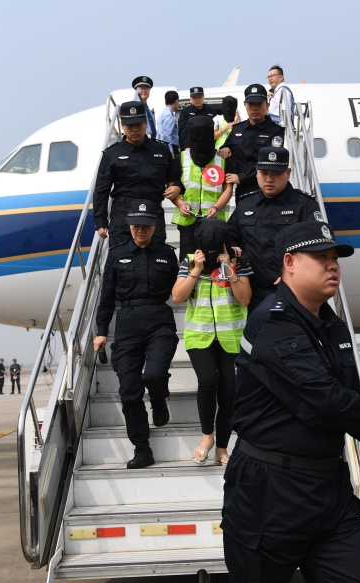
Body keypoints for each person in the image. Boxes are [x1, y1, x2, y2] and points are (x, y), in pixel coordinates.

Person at [223, 220, 360, 583]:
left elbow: (348, 397)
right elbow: (322, 399)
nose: (333, 266)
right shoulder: (274, 321)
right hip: (269, 491)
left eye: (335, 258)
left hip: (330, 490)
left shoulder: (332, 326)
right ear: (290, 263)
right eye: (321, 258)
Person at [93, 201, 180, 469]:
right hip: (128, 324)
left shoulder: (167, 254)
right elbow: (106, 297)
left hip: (159, 322)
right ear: (129, 225)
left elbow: (180, 290)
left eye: (145, 225)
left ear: (154, 226)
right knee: (129, 392)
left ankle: (157, 398)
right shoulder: (117, 255)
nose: (140, 230)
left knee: (153, 375)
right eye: (135, 225)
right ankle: (142, 448)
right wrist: (101, 331)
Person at [171, 218, 252, 466]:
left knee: (229, 391)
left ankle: (221, 448)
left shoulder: (239, 261)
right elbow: (177, 297)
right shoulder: (188, 261)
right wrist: (196, 270)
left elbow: (245, 298)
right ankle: (207, 436)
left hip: (231, 337)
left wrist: (229, 269)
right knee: (208, 381)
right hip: (200, 336)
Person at [227, 146, 319, 313]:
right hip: (252, 292)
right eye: (264, 174)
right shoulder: (245, 204)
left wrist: (294, 274)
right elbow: (229, 236)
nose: (269, 179)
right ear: (256, 172)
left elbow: (316, 247)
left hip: (293, 290)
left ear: (288, 173)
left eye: (275, 174)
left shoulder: (305, 204)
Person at [93, 101, 184, 248]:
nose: (135, 129)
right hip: (123, 215)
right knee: (121, 261)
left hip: (153, 213)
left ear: (146, 123)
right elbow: (101, 190)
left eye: (139, 124)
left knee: (155, 261)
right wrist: (101, 222)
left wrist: (178, 187)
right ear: (122, 125)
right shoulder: (112, 154)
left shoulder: (161, 150)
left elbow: (174, 178)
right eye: (130, 125)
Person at [172, 116, 234, 258]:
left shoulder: (223, 159)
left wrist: (216, 207)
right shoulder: (181, 158)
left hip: (215, 222)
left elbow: (228, 189)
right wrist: (180, 204)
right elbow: (171, 186)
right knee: (188, 263)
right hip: (188, 222)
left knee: (215, 264)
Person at [218, 84, 286, 199]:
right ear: (245, 105)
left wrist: (241, 177)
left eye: (259, 104)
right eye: (251, 104)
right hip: (243, 191)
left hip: (266, 190)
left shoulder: (276, 132)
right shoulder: (237, 129)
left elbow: (270, 161)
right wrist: (225, 149)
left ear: (267, 105)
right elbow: (225, 147)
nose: (255, 108)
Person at [157, 90, 180, 156]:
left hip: (162, 145)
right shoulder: (169, 115)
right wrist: (171, 151)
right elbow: (167, 135)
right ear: (176, 102)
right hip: (170, 146)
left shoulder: (162, 114)